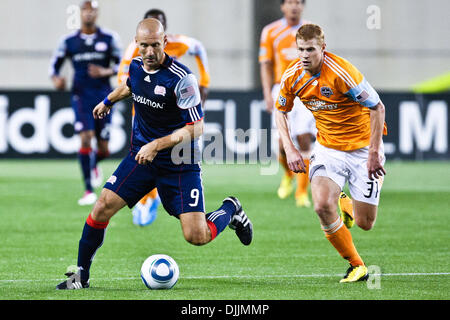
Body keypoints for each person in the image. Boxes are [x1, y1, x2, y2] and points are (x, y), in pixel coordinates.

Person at [56, 18, 252, 290]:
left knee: (197, 235)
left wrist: (156, 145)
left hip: (179, 162)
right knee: (101, 207)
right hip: (141, 157)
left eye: (155, 46)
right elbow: (130, 86)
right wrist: (107, 101)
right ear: (137, 44)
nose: (149, 52)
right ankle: (80, 277)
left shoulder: (182, 79)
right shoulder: (136, 66)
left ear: (165, 43)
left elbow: (196, 128)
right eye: (144, 46)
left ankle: (231, 209)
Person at [275, 24, 387, 282]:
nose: (304, 55)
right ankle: (356, 265)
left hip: (362, 149)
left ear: (322, 48)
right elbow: (281, 111)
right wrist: (290, 147)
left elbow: (377, 107)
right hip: (327, 148)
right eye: (300, 49)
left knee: (365, 223)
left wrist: (373, 151)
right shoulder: (292, 76)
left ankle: (346, 203)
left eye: (310, 49)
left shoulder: (342, 73)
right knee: (322, 205)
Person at [117, 8, 211, 226]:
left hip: (174, 118)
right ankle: (148, 199)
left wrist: (204, 81)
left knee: (178, 155)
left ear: (164, 32)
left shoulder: (179, 45)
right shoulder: (133, 50)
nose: (150, 50)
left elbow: (199, 49)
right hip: (144, 116)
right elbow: (123, 80)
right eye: (145, 43)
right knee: (145, 158)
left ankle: (172, 197)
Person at [49, 0, 122, 206]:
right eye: (86, 10)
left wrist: (105, 71)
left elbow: (121, 65)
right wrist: (56, 79)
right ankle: (88, 190)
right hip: (81, 96)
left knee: (104, 148)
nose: (89, 14)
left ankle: (93, 164)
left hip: (104, 96)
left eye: (93, 10)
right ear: (81, 13)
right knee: (85, 138)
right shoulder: (69, 41)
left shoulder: (109, 38)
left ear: (97, 13)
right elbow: (54, 66)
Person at [259, 0, 316, 208]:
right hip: (281, 89)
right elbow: (265, 64)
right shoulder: (271, 31)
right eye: (290, 2)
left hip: (306, 91)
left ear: (303, 6)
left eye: (298, 2)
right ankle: (288, 175)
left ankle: (301, 193)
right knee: (283, 145)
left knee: (303, 139)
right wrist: (267, 93)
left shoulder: (311, 30)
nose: (294, 6)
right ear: (283, 6)